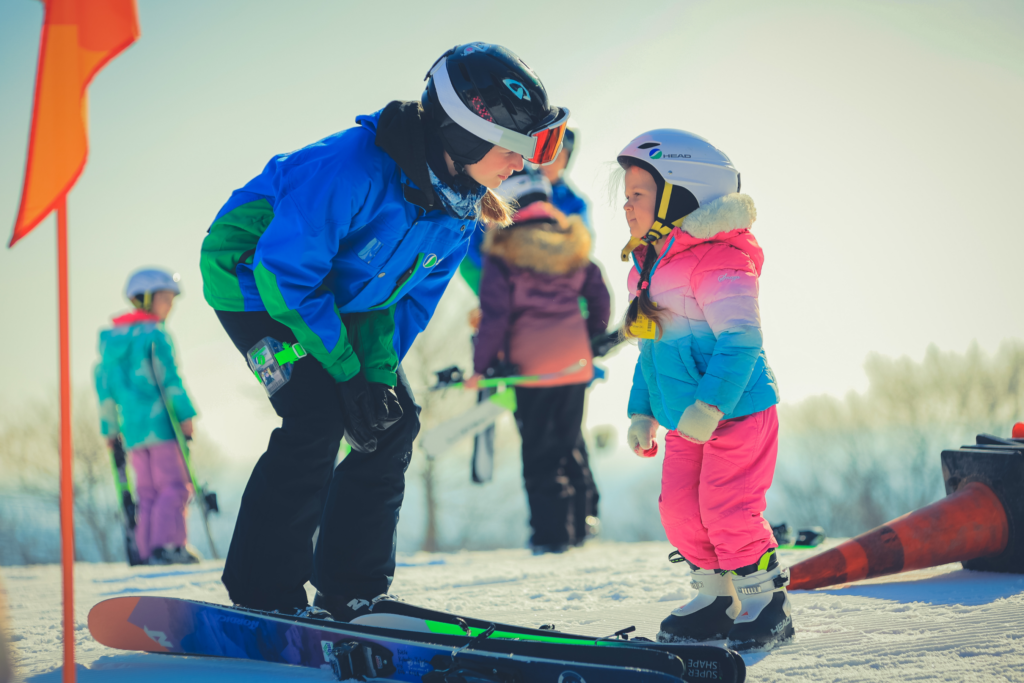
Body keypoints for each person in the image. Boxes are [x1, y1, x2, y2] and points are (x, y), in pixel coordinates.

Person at [199, 43, 568, 619]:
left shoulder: (459, 214)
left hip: (343, 297)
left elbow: (397, 305)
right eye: (520, 145)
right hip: (254, 279)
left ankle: (352, 588)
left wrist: (373, 378)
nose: (526, 163)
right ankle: (262, 591)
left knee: (392, 421)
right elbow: (287, 273)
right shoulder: (350, 168)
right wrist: (345, 374)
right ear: (465, 131)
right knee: (316, 415)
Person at [617, 129, 790, 651]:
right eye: (624, 196)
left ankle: (764, 601)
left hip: (736, 413)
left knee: (728, 509)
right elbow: (648, 351)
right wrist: (641, 412)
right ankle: (716, 597)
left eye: (637, 195)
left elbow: (742, 342)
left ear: (681, 194)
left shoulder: (722, 258)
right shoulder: (645, 271)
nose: (626, 207)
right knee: (681, 511)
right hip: (685, 420)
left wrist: (710, 405)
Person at [470, 169, 610, 554]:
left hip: (529, 370)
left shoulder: (501, 253)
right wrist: (592, 338)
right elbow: (601, 297)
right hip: (574, 364)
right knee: (569, 445)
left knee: (539, 452)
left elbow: (495, 316)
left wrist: (481, 368)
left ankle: (551, 537)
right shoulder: (573, 244)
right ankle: (582, 527)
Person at [95, 268, 200, 565]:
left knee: (148, 491)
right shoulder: (155, 335)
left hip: (133, 433)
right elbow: (170, 380)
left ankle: (146, 549)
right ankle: (168, 546)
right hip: (162, 427)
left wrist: (110, 431)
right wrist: (186, 415)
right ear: (144, 299)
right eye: (165, 298)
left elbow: (105, 393)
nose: (170, 306)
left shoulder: (111, 345)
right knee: (175, 486)